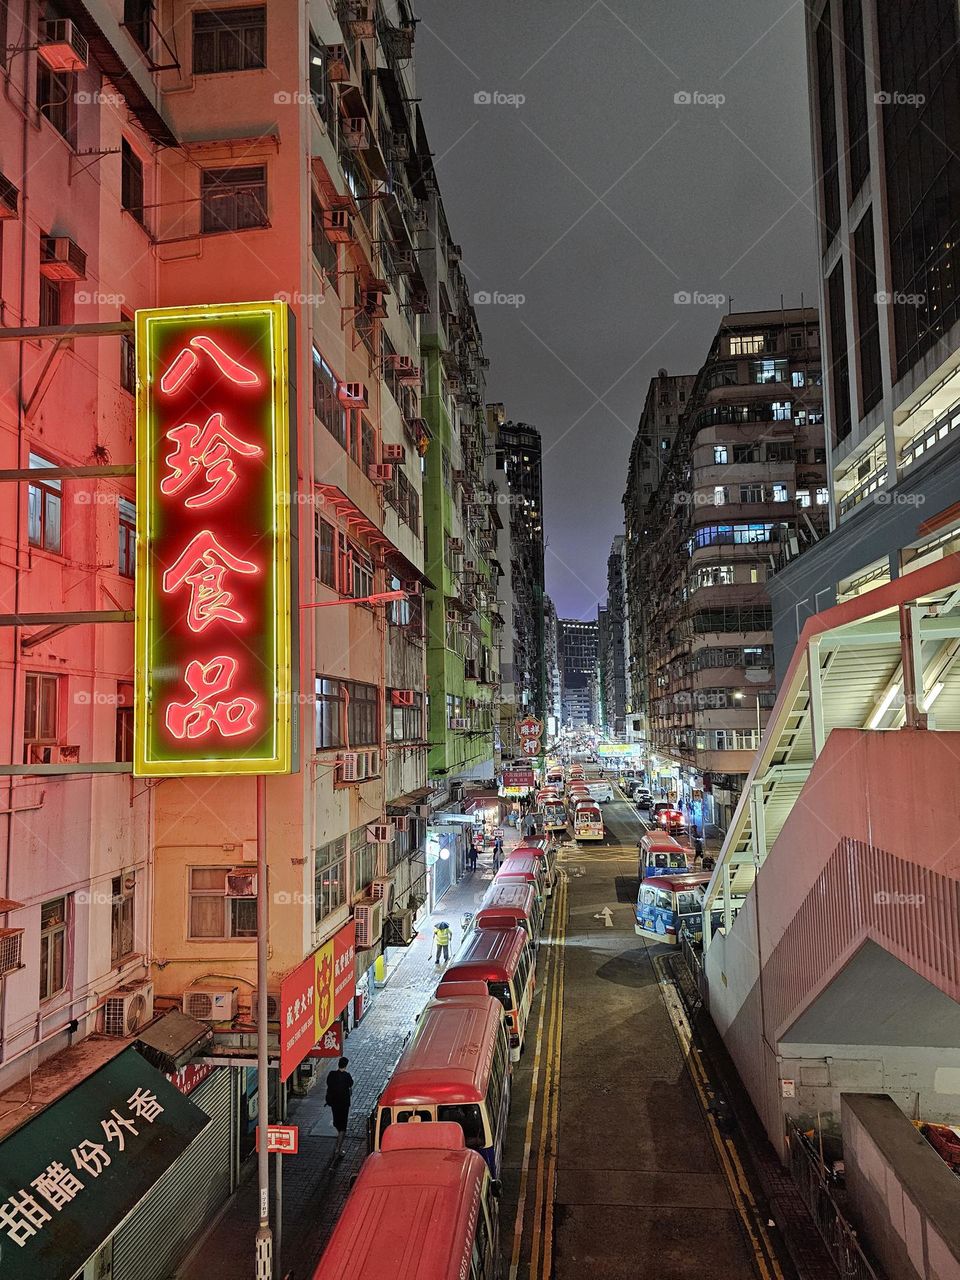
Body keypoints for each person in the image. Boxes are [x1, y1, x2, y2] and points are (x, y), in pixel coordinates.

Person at [325, 1056, 354, 1160]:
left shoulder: (331, 1075)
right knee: (343, 1127)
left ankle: (338, 1137)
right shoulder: (347, 1076)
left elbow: (328, 1084)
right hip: (344, 1104)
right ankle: (338, 1148)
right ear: (345, 1066)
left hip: (334, 1104)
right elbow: (351, 1084)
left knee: (337, 1122)